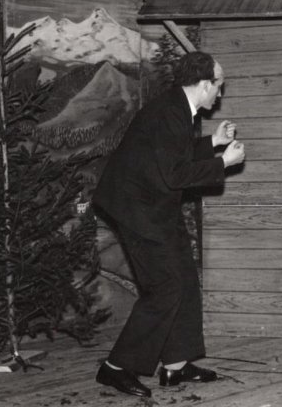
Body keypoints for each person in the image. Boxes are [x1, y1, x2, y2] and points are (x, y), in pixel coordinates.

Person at [93, 51, 245, 397]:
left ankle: (176, 365)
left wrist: (213, 143)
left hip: (155, 203)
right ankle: (115, 368)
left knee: (184, 278)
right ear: (204, 84)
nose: (219, 93)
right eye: (218, 86)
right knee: (164, 287)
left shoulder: (177, 107)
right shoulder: (170, 112)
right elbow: (174, 174)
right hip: (137, 209)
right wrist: (223, 162)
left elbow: (170, 154)